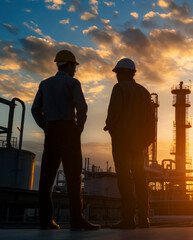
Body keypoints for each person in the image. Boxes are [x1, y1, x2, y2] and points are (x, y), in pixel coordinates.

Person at [32, 50, 100, 231]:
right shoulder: (72, 83)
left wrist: (45, 126)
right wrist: (78, 129)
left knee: (46, 179)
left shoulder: (45, 84)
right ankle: (76, 221)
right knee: (74, 177)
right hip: (69, 130)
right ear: (69, 65)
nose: (75, 70)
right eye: (74, 66)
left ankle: (46, 221)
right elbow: (82, 108)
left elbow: (34, 109)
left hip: (52, 130)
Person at [104, 58, 155, 229]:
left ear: (121, 73)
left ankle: (128, 219)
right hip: (139, 144)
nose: (116, 77)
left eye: (117, 73)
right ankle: (144, 219)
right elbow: (151, 121)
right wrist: (146, 142)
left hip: (122, 143)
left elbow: (113, 113)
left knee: (125, 179)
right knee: (140, 179)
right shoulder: (144, 92)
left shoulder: (119, 88)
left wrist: (111, 128)